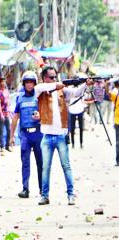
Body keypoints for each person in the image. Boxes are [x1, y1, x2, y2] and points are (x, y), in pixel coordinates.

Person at [35, 67, 93, 205]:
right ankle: (45, 195)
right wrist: (60, 83)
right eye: (51, 77)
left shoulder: (62, 91)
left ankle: (71, 194)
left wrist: (85, 84)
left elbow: (76, 92)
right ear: (44, 78)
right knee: (45, 167)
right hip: (47, 136)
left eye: (56, 76)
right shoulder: (40, 89)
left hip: (61, 135)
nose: (54, 79)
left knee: (66, 166)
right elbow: (44, 87)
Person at [9, 71, 43, 198]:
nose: (29, 85)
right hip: (25, 135)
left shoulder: (40, 97)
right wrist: (11, 136)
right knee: (25, 162)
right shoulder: (20, 98)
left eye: (31, 82)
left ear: (35, 83)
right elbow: (15, 117)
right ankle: (25, 188)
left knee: (41, 162)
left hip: (38, 133)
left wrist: (40, 117)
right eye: (27, 82)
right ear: (24, 84)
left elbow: (47, 114)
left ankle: (42, 189)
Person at [104, 78, 119, 166]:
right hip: (117, 122)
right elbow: (108, 93)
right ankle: (118, 161)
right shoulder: (116, 95)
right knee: (118, 142)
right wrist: (106, 84)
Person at [0, 78, 12, 155]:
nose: (3, 83)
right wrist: (1, 113)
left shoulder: (7, 91)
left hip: (7, 113)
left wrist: (9, 112)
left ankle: (7, 145)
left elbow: (8, 102)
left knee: (9, 129)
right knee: (1, 131)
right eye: (2, 81)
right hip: (2, 113)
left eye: (4, 81)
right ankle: (1, 147)